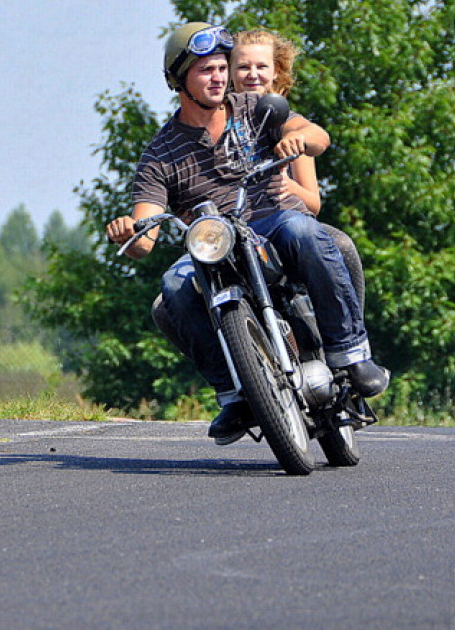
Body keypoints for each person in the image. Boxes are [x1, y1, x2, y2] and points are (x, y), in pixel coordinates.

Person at [106, 22, 388, 445]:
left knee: (303, 229)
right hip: (215, 245)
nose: (218, 78)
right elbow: (144, 237)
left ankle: (350, 355)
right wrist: (128, 231)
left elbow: (318, 137)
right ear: (178, 80)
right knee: (173, 285)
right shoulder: (159, 154)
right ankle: (235, 394)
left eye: (222, 68)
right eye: (206, 70)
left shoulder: (255, 108)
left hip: (272, 223)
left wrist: (297, 139)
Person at [230, 29, 365, 310]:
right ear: (229, 72)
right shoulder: (217, 122)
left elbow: (313, 203)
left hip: (286, 228)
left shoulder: (288, 123)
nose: (252, 74)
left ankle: (353, 327)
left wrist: (290, 187)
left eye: (261, 66)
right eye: (243, 67)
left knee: (342, 246)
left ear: (276, 72)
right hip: (234, 235)